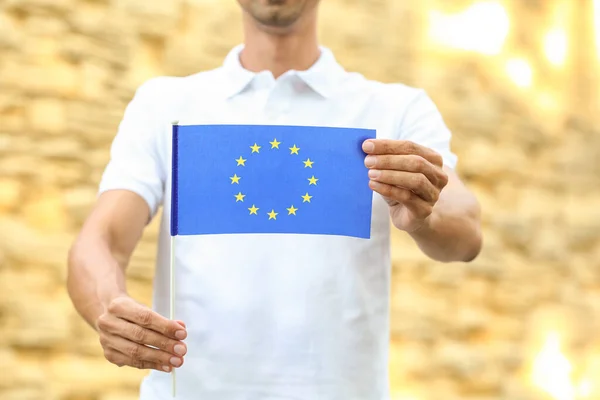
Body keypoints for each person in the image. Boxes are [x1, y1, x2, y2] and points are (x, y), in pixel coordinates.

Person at [67, 0, 482, 399]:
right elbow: (101, 240)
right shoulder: (165, 105)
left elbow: (466, 231)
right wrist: (110, 307)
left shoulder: (396, 109)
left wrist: (425, 214)